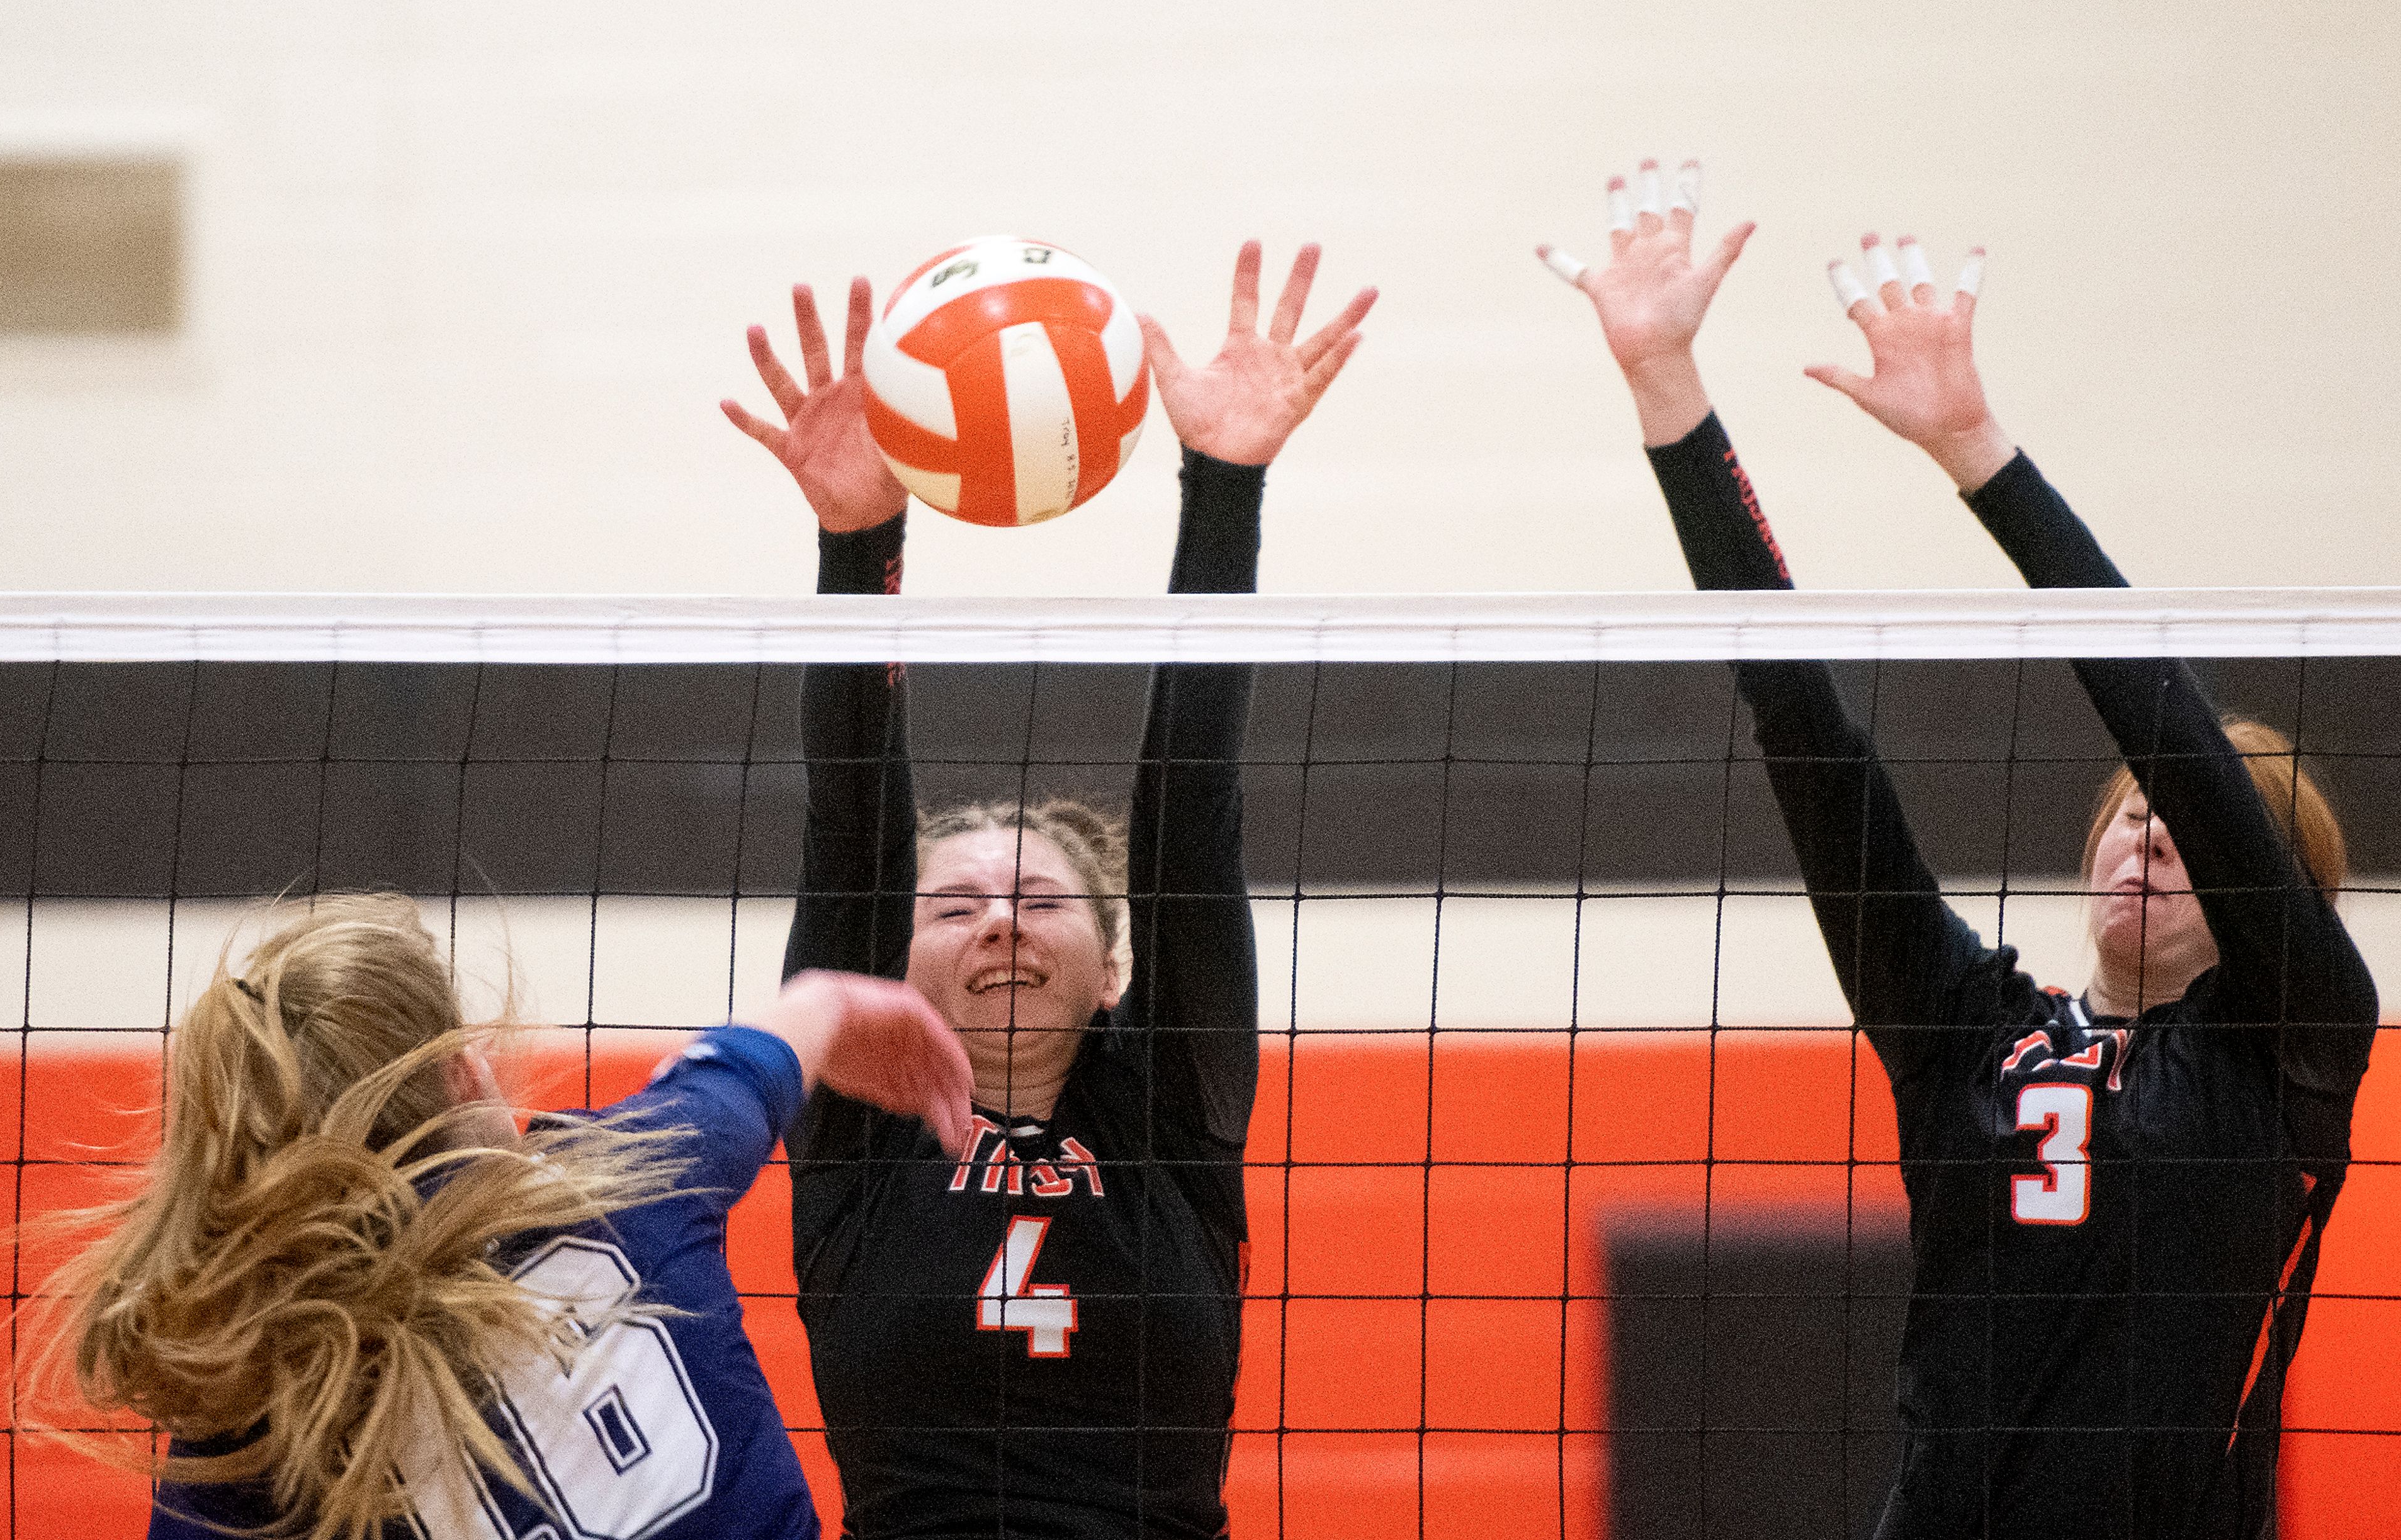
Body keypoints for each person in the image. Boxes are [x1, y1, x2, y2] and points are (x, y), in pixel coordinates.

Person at [1542, 161, 2377, 1537]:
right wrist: (1670, 400)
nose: (2149, 833)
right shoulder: (1967, 1036)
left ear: (2269, 898)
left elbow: (2169, 729)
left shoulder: (2289, 1040)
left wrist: (1978, 453)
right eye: (2125, 814)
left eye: (2188, 825)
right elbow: (1811, 741)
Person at [721, 241, 1372, 1538]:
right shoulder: (857, 1123)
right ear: (894, 970)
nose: (1001, 920)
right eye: (953, 908)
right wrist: (860, 544)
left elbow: (1194, 815)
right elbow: (853, 823)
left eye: (1040, 902)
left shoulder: (1171, 1113)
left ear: (1116, 966)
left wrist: (1224, 487)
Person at [28, 893, 974, 1540]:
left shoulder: (256, 1401)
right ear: (462, 1070)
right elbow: (748, 1063)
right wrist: (835, 1002)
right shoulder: (631, 1175)